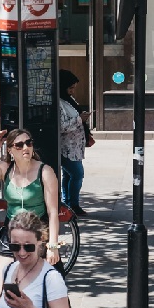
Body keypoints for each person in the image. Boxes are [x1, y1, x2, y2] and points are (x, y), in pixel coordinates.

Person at [0, 128, 63, 266]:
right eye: (19, 145)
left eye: (28, 143)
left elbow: (53, 212)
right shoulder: (5, 169)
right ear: (10, 150)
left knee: (36, 280)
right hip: (12, 231)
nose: (25, 148)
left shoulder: (45, 171)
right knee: (3, 276)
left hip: (37, 232)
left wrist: (53, 246)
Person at [58, 70, 91, 218]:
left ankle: (67, 202)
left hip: (74, 146)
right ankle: (73, 204)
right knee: (77, 173)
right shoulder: (59, 103)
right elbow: (61, 126)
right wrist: (80, 120)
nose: (72, 91)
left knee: (68, 175)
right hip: (66, 147)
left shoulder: (69, 100)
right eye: (70, 88)